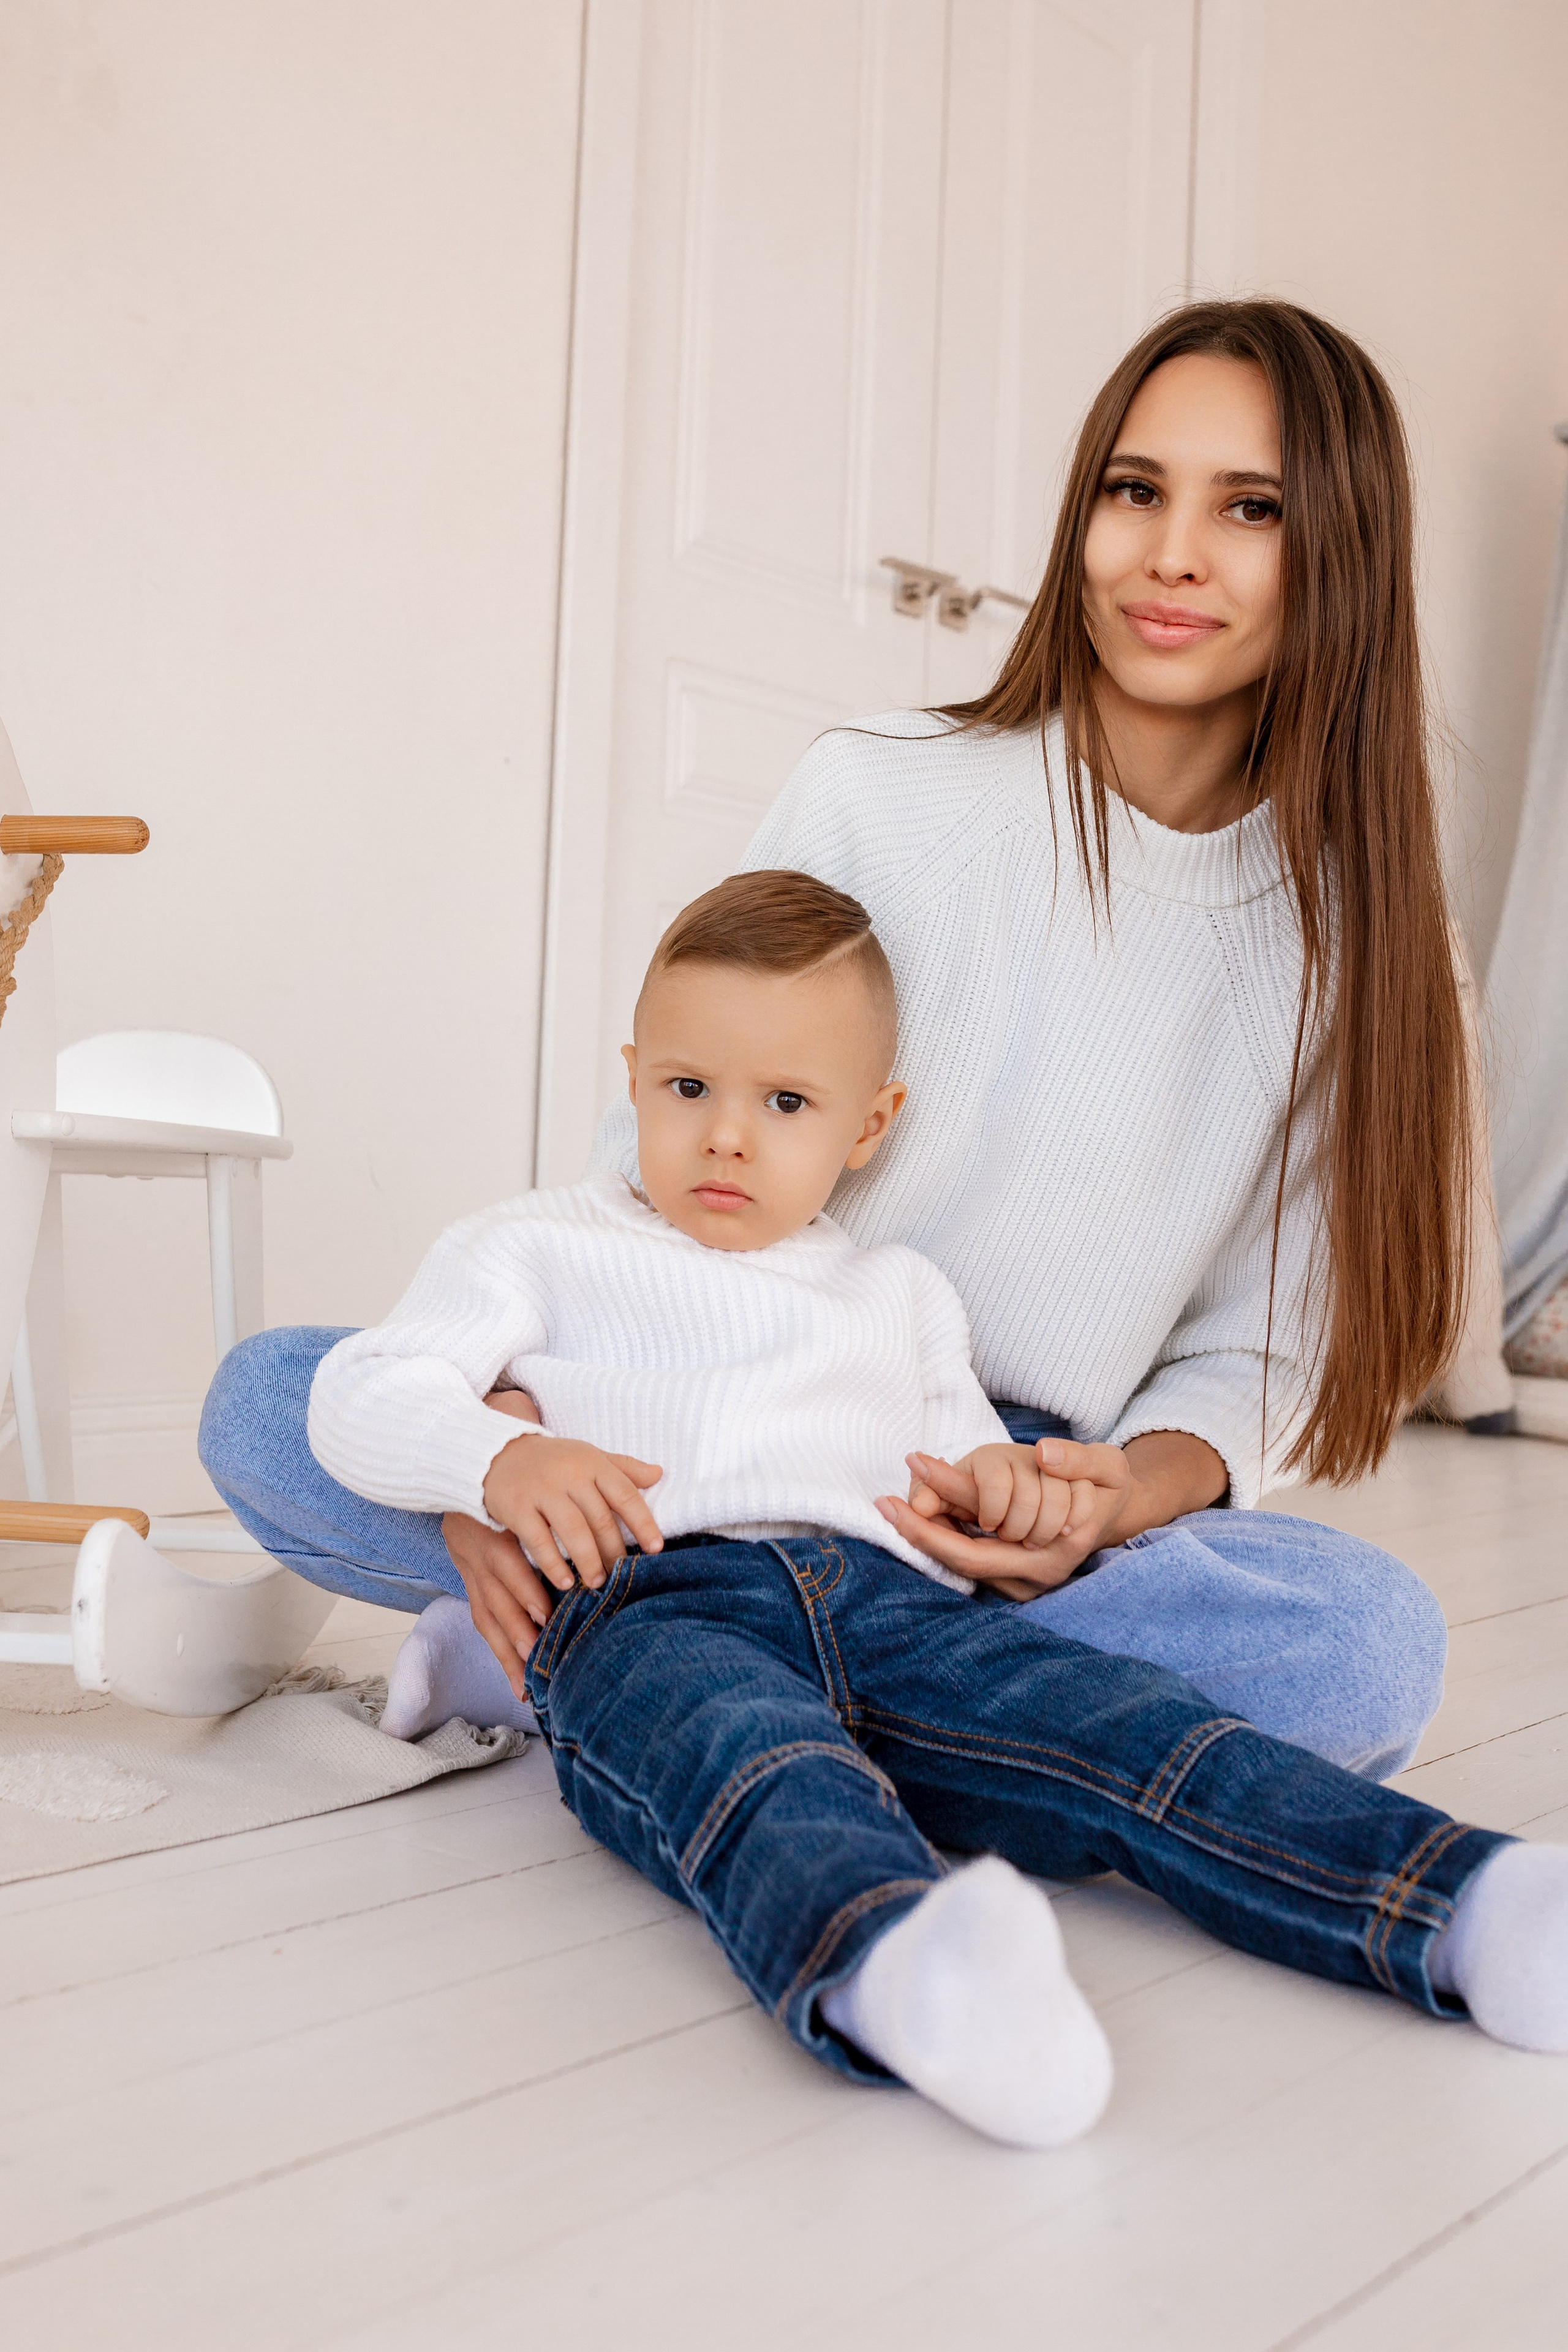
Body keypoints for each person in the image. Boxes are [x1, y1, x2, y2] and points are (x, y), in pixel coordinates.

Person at [201, 295, 1463, 1779]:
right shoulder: (881, 791)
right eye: (1134, 490)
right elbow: (650, 1162)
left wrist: (1113, 1499)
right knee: (272, 1403)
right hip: (699, 1434)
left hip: (985, 1501)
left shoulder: (1352, 944)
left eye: (1248, 508)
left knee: (1363, 1647)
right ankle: (940, 1708)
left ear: (1343, 547)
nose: (1169, 553)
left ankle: (643, 1663)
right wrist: (496, 1457)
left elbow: (1260, 1352)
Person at [221, 872, 1568, 2154]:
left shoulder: (899, 1292)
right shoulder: (532, 1243)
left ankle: (1461, 1903)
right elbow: (365, 1387)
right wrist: (496, 1464)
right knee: (748, 1762)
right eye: (687, 1088)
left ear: (868, 1127)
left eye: (785, 1102)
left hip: (898, 1600)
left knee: (1131, 1737)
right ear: (631, 1078)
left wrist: (1009, 1491)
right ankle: (898, 1964)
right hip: (651, 1593)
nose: (727, 1134)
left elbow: (966, 1457)